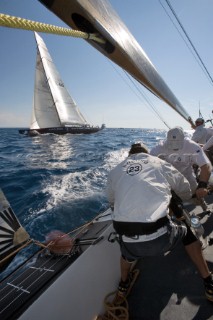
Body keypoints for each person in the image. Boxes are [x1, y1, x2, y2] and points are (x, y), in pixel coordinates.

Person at [107, 142, 213, 302]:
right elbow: (183, 185)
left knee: (125, 254)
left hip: (130, 243)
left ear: (130, 155)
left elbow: (112, 203)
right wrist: (185, 198)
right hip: (162, 240)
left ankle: (123, 284)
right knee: (188, 232)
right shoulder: (157, 162)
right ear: (147, 153)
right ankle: (209, 283)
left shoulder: (115, 171)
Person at [150, 127, 212, 211]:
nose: (175, 148)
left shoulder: (192, 146)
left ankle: (204, 206)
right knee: (170, 202)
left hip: (187, 175)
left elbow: (206, 165)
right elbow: (148, 162)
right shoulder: (160, 147)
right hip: (170, 177)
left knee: (197, 195)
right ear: (167, 140)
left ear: (184, 139)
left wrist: (202, 185)